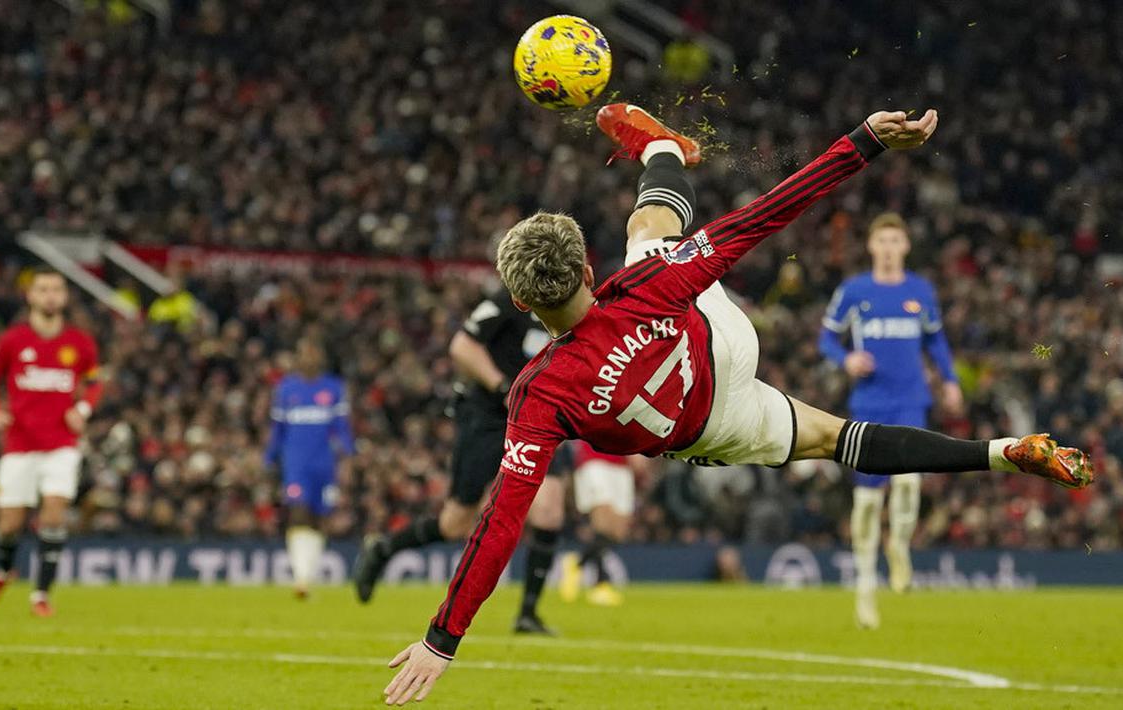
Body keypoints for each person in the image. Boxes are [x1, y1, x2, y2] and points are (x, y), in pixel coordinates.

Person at [381, 104, 1094, 705]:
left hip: (713, 425)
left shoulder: (537, 393)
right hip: (717, 343)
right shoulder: (647, 283)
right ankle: (662, 148)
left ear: (519, 302)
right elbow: (766, 214)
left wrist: (442, 639)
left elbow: (502, 520)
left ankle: (999, 458)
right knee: (651, 236)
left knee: (830, 437)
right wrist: (865, 141)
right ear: (586, 269)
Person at [353, 288, 568, 634]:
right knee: (455, 522)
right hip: (487, 417)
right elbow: (463, 346)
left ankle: (527, 614)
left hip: (534, 417)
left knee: (550, 508)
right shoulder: (511, 299)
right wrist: (502, 386)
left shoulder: (568, 306)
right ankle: (383, 547)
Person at [820, 213, 962, 629]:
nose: (887, 247)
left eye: (894, 240)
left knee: (909, 480)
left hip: (910, 401)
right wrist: (845, 358)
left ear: (905, 246)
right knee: (866, 502)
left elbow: (935, 339)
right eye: (880, 240)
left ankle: (898, 545)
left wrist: (950, 382)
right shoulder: (854, 291)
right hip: (868, 403)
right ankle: (865, 589)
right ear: (870, 246)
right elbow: (826, 337)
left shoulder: (920, 291)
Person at [0, 268, 103, 617]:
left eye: (57, 290)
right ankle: (3, 572)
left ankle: (41, 595)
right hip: (19, 444)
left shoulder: (79, 342)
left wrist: (82, 409)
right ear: (31, 296)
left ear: (64, 297)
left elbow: (94, 382)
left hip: (61, 444)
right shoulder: (12, 341)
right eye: (43, 289)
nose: (50, 296)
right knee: (10, 525)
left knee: (53, 515)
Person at [264, 338, 354, 598]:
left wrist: (346, 460)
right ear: (298, 357)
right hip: (296, 464)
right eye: (305, 352)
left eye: (314, 352)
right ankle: (301, 579)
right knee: (298, 512)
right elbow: (278, 431)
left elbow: (341, 429)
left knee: (319, 519)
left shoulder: (334, 388)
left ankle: (307, 577)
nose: (310, 357)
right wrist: (268, 459)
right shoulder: (285, 389)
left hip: (324, 464)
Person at [558, 441, 636, 606]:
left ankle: (577, 564)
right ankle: (601, 585)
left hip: (622, 463)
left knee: (618, 532)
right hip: (594, 458)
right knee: (602, 522)